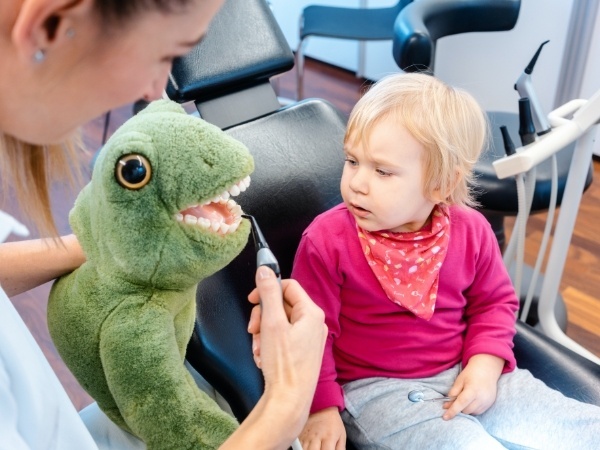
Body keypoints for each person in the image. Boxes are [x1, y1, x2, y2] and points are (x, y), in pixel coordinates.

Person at [0, 1, 326, 449]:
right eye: (163, 55)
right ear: (51, 26)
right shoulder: (131, 331)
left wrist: (108, 238)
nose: (157, 87)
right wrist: (288, 403)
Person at [290, 72, 600, 450]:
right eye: (352, 161)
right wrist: (319, 408)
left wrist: (485, 364)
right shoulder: (326, 242)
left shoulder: (471, 231)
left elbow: (494, 303)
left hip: (466, 366)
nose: (357, 182)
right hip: (379, 390)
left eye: (383, 171)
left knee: (584, 428)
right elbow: (310, 335)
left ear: (440, 184)